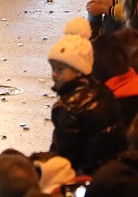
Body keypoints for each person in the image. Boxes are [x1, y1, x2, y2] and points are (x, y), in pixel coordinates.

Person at [46, 34, 125, 174]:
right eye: (53, 68)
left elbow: (66, 155)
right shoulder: (102, 90)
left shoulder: (68, 107)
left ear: (78, 71)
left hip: (86, 173)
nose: (54, 74)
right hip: (111, 169)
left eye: (60, 69)